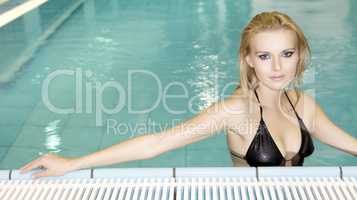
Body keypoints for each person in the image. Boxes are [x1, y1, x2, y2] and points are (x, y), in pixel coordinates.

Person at [20, 11, 357, 178]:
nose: (278, 67)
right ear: (249, 60)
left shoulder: (303, 106)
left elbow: (352, 146)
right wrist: (74, 163)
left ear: (300, 55)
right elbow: (156, 144)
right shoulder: (236, 111)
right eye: (265, 56)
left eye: (287, 54)